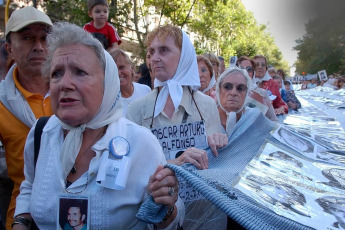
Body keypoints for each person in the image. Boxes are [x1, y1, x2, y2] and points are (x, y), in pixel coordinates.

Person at [13, 22, 183, 230]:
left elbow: (169, 221)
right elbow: (29, 185)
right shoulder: (41, 133)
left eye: (79, 72)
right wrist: (20, 221)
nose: (65, 83)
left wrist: (164, 208)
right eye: (57, 73)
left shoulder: (141, 142)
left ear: (107, 82)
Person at [127, 24, 228, 230]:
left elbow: (218, 169)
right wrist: (174, 164)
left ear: (185, 57)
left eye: (164, 50)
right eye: (151, 52)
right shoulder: (137, 109)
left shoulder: (206, 105)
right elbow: (132, 176)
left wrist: (220, 142)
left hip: (205, 216)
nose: (154, 58)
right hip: (162, 220)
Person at [0, 6, 53, 229]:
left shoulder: (77, 89)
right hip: (24, 217)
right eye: (28, 38)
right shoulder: (2, 101)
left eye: (44, 38)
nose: (39, 47)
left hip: (75, 213)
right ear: (9, 48)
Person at [109, 49, 151, 116]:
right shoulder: (110, 101)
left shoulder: (146, 90)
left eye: (121, 67)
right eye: (114, 69)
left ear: (131, 68)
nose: (118, 73)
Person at [236, 56, 277, 121]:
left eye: (249, 69)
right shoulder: (228, 91)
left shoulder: (262, 93)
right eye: (241, 69)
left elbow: (274, 120)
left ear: (253, 73)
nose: (245, 72)